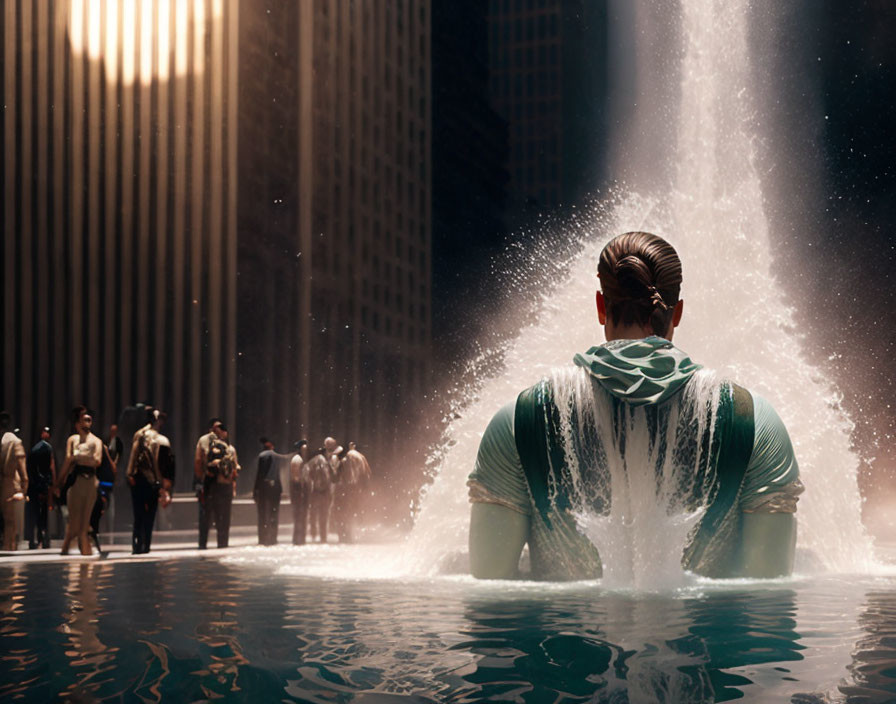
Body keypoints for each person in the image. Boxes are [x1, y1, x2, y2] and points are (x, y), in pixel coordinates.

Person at [467, 232, 804, 580]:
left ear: (600, 306)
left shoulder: (518, 421)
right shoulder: (755, 423)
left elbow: (490, 594)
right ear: (679, 312)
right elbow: (769, 601)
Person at [56, 406, 103, 556]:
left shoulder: (96, 441)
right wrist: (58, 482)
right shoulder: (72, 439)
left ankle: (84, 551)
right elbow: (68, 460)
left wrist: (78, 457)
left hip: (90, 482)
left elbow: (97, 460)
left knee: (85, 521)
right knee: (74, 520)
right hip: (76, 482)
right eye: (84, 420)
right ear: (77, 423)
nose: (87, 423)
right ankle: (67, 548)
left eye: (89, 420)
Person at [126, 408, 172, 554]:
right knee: (150, 515)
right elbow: (166, 468)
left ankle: (137, 545)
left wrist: (129, 474)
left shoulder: (139, 435)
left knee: (138, 514)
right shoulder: (162, 440)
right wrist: (165, 487)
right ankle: (146, 546)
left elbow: (133, 457)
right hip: (153, 481)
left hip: (138, 479)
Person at [203, 424, 239, 548]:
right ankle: (223, 543)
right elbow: (236, 469)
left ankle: (218, 542)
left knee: (218, 515)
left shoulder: (212, 449)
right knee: (224, 516)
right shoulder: (231, 449)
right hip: (226, 485)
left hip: (217, 486)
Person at [333, 441, 372, 543]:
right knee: (351, 514)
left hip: (345, 491)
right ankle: (351, 536)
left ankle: (345, 537)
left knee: (343, 514)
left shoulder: (345, 461)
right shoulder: (361, 457)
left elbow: (337, 478)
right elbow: (367, 473)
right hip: (356, 490)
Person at [25, 426, 56, 549]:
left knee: (36, 513)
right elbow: (46, 470)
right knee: (41, 513)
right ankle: (42, 539)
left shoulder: (37, 449)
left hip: (36, 485)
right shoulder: (45, 448)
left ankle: (37, 539)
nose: (46, 434)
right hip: (40, 485)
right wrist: (45, 487)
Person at [1, 412, 28, 550]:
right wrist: (24, 490)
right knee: (10, 523)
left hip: (7, 482)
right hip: (8, 485)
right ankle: (8, 549)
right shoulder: (15, 441)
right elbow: (23, 471)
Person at [194, 418, 222, 549]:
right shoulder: (205, 440)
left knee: (213, 515)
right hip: (208, 482)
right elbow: (198, 462)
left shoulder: (218, 440)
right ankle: (205, 543)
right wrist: (200, 481)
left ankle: (214, 543)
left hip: (217, 482)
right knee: (207, 514)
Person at [253, 437, 283, 545]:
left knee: (262, 514)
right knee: (274, 514)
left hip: (263, 489)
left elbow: (259, 475)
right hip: (275, 489)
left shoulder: (262, 456)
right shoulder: (276, 456)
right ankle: (273, 538)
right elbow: (278, 475)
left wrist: (255, 490)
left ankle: (263, 538)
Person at [307, 448, 333, 542]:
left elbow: (308, 476)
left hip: (315, 493)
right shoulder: (325, 462)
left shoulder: (312, 462)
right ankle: (323, 537)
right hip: (324, 493)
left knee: (313, 515)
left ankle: (313, 534)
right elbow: (328, 478)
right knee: (324, 516)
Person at [289, 440, 310, 545]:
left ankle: (299, 539)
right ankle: (299, 539)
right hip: (299, 493)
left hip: (299, 493)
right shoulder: (298, 460)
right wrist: (302, 493)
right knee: (300, 517)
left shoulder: (298, 459)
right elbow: (297, 479)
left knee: (299, 517)